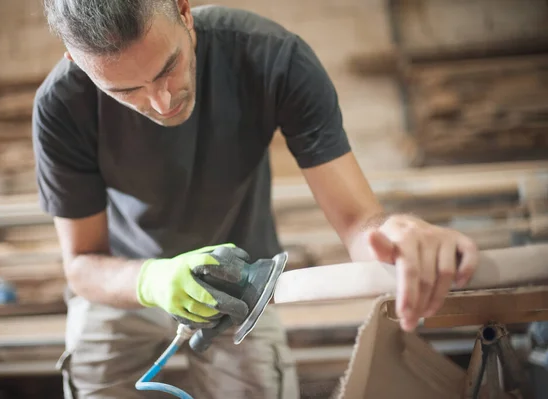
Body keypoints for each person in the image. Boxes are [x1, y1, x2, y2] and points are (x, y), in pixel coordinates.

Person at [33, 0, 481, 398]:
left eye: (168, 65)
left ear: (184, 11)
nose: (161, 99)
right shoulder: (60, 105)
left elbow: (358, 221)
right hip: (125, 281)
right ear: (79, 63)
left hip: (243, 281)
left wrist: (396, 237)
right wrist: (152, 281)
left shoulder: (271, 58)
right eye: (125, 90)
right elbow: (81, 264)